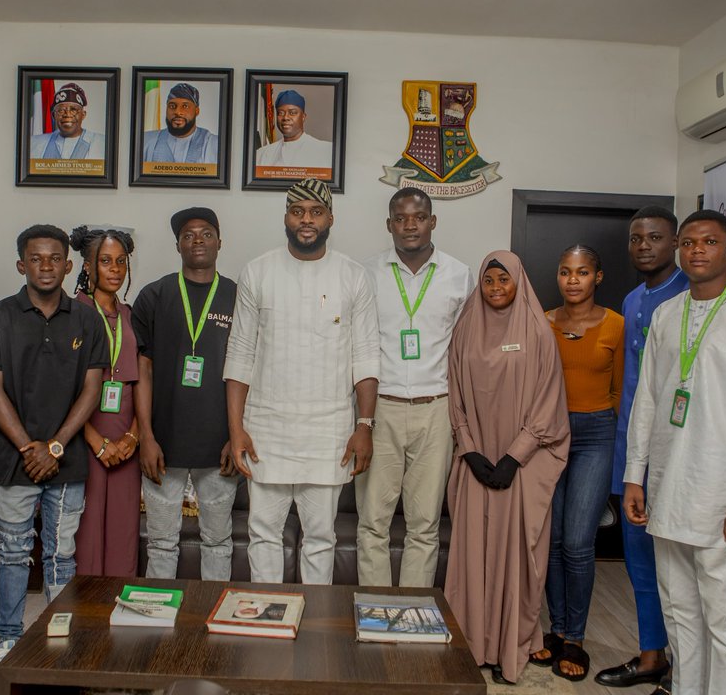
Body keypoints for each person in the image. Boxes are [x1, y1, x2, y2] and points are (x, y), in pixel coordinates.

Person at [623, 210, 726, 695]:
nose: (696, 251)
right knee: (681, 617)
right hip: (669, 488)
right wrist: (635, 474)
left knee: (725, 624)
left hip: (723, 494)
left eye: (709, 242)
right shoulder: (667, 314)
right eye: (688, 243)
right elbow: (646, 398)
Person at [224, 178, 379, 584]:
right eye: (298, 212)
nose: (306, 220)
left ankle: (313, 631)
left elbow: (364, 358)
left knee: (321, 538)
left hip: (328, 432)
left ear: (330, 217)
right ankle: (265, 622)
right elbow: (240, 355)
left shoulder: (353, 276)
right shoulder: (258, 271)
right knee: (262, 535)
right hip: (266, 430)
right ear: (286, 217)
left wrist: (364, 426)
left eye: (315, 212)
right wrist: (236, 429)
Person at [0, 225, 107, 695]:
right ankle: (7, 643)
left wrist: (54, 446)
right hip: (13, 462)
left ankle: (59, 644)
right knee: (11, 553)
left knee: (59, 556)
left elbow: (92, 389)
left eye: (56, 258)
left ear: (70, 265)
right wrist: (31, 446)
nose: (47, 265)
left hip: (67, 463)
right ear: (21, 265)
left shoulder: (87, 321)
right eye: (36, 258)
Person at [445, 251, 570, 685]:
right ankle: (472, 644)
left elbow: (548, 401)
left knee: (517, 556)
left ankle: (507, 646)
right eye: (488, 281)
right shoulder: (465, 330)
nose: (496, 288)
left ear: (520, 282)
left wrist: (514, 456)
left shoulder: (538, 331)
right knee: (472, 554)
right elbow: (454, 392)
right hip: (477, 462)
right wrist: (472, 451)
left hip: (520, 467)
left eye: (505, 280)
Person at [356, 187, 473, 588]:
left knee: (424, 525)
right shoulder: (365, 273)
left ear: (432, 221)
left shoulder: (459, 275)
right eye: (401, 218)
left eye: (419, 217)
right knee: (373, 522)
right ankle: (374, 607)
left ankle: (411, 613)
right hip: (380, 408)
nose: (410, 226)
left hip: (435, 410)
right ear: (389, 224)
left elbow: (465, 349)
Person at [595, 205, 686, 693]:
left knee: (678, 570)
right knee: (640, 562)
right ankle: (653, 657)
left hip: (675, 457)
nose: (644, 246)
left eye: (654, 237)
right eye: (636, 238)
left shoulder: (690, 297)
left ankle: (685, 669)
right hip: (631, 452)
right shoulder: (631, 301)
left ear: (674, 242)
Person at [532, 245, 624, 682]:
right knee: (549, 541)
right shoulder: (542, 323)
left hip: (595, 436)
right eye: (566, 271)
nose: (573, 280)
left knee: (577, 542)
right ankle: (556, 629)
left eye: (583, 271)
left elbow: (622, 393)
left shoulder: (616, 325)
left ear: (598, 277)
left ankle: (577, 638)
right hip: (549, 436)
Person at [132, 207, 239, 580]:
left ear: (220, 243)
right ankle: (160, 629)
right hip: (164, 445)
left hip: (219, 446)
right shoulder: (154, 296)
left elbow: (248, 373)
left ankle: (212, 628)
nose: (198, 240)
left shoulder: (238, 296)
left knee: (218, 541)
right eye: (189, 235)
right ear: (177, 244)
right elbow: (141, 370)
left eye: (206, 233)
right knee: (160, 542)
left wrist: (236, 437)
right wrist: (145, 436)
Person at [69, 225, 142, 577]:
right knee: (87, 528)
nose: (115, 269)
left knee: (124, 528)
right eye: (106, 261)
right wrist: (95, 440)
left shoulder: (131, 316)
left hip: (127, 439)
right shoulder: (72, 314)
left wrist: (134, 435)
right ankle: (86, 617)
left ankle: (118, 612)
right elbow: (61, 389)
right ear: (88, 266)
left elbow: (145, 380)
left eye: (121, 262)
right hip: (86, 436)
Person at [142, 83, 219, 164]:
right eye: (172, 106)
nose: (177, 112)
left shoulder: (214, 144)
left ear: (197, 111)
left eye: (185, 106)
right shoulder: (146, 141)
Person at [254, 90, 333, 168]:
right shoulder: (261, 154)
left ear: (303, 117)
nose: (285, 117)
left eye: (292, 113)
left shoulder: (326, 150)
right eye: (280, 113)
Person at [28, 83, 106, 160]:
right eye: (61, 110)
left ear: (83, 114)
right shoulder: (34, 143)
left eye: (73, 110)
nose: (67, 114)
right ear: (54, 115)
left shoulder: (102, 144)